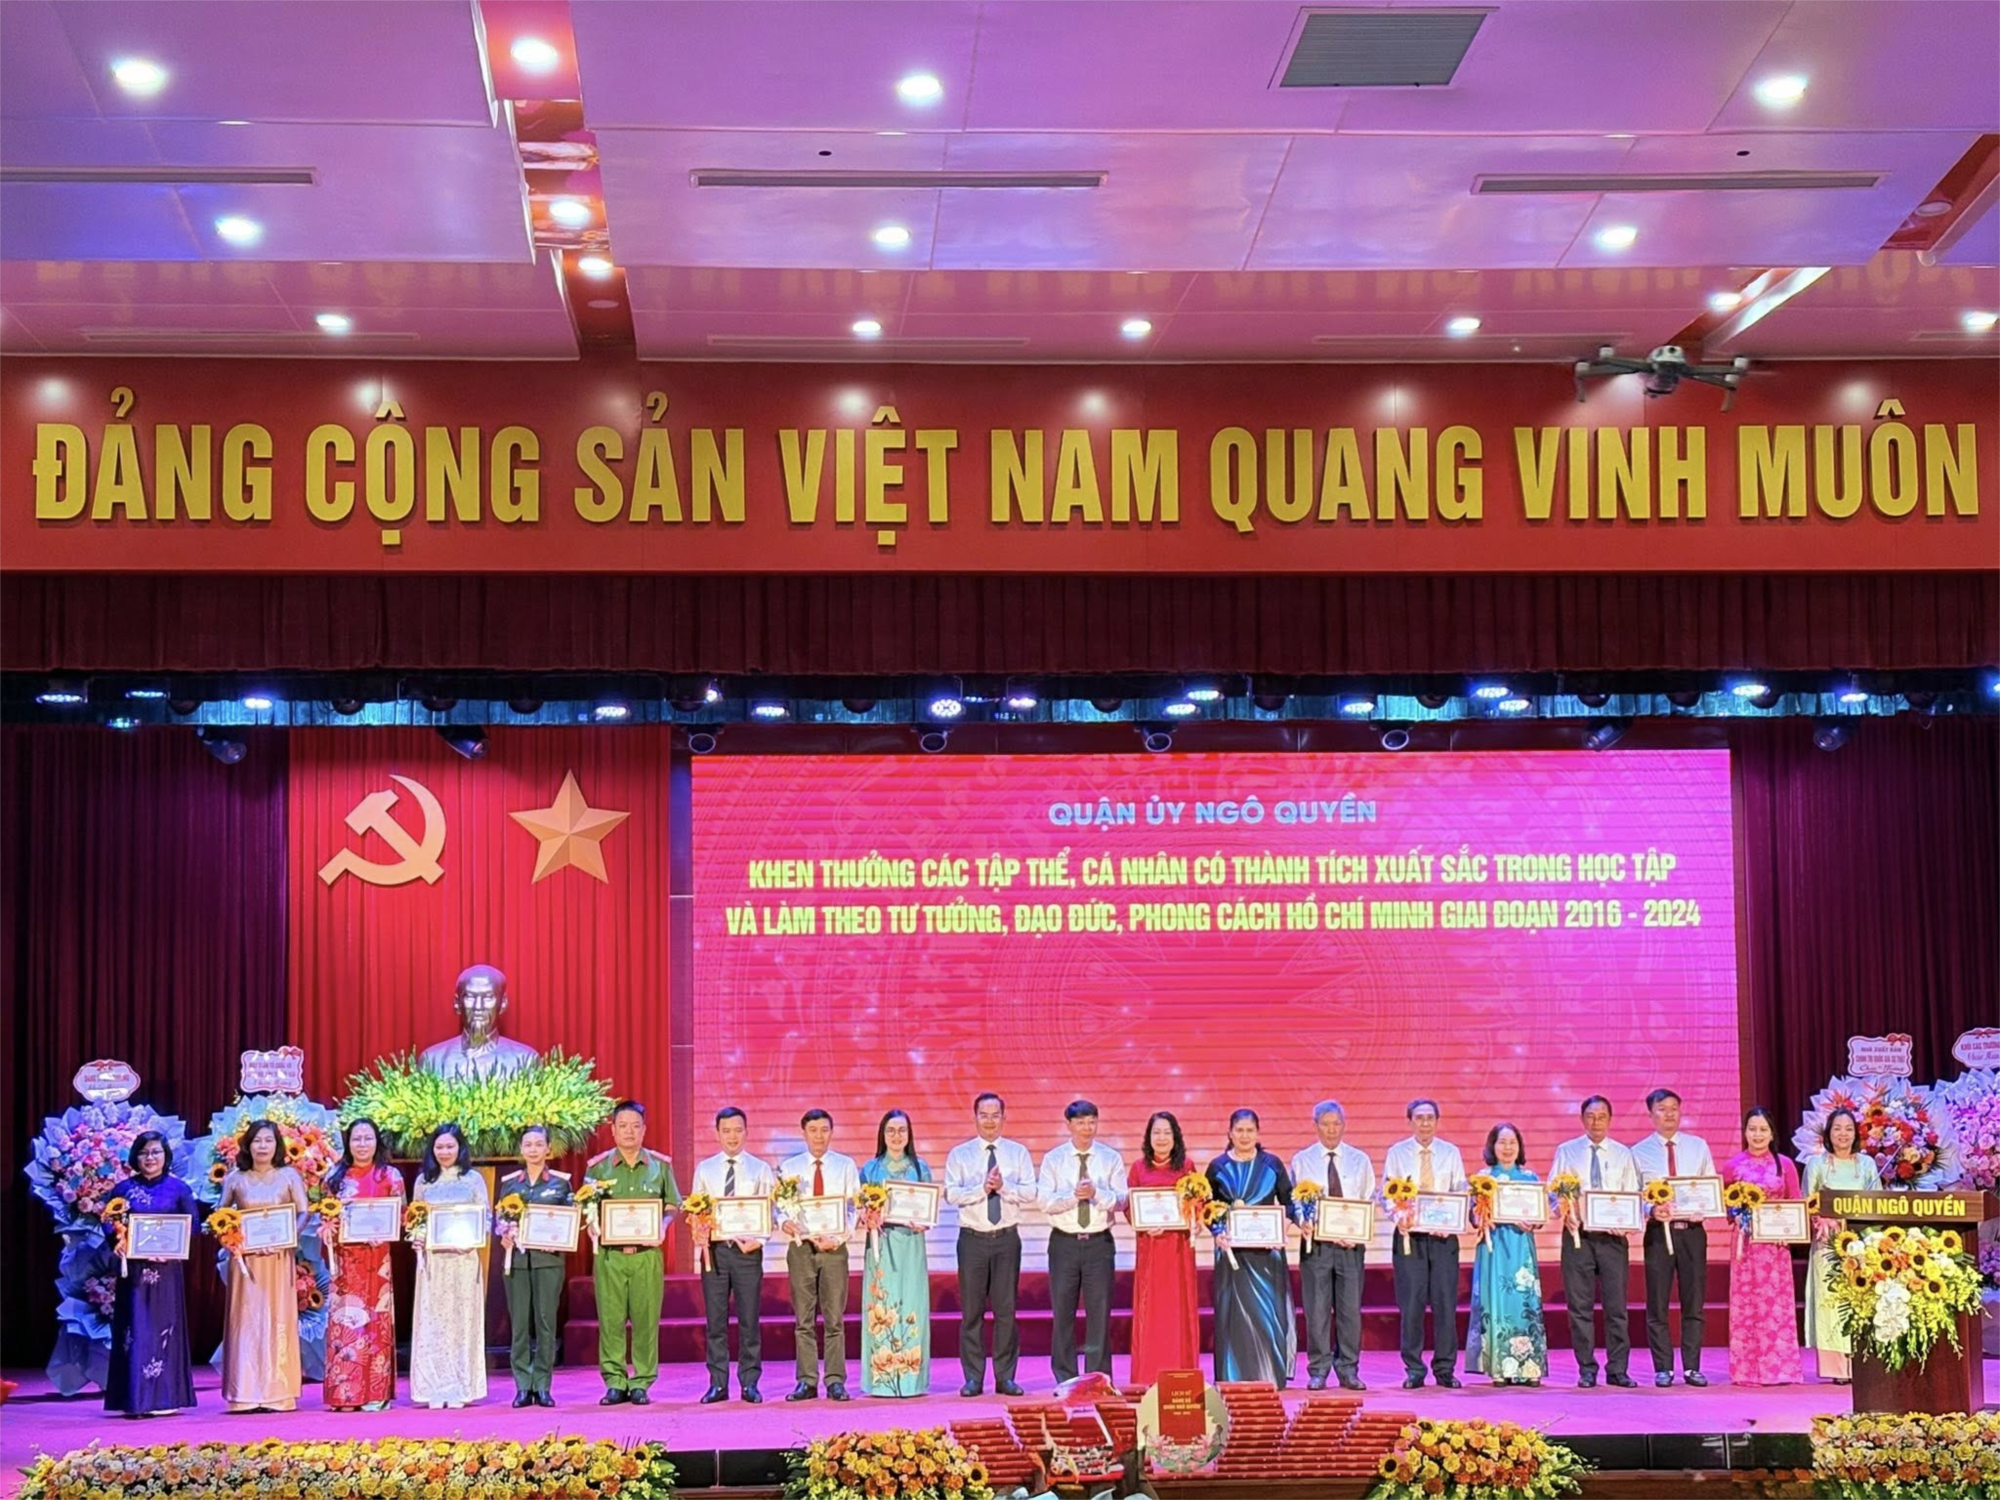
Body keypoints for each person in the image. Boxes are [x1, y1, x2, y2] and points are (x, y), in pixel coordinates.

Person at [585, 1099, 682, 1405]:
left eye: (635, 1126)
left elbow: (672, 1205)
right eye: (623, 1126)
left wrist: (663, 1225)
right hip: (610, 1256)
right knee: (610, 1320)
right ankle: (615, 1381)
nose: (629, 1132)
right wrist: (592, 1224)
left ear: (644, 1129)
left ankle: (641, 1381)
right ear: (613, 1130)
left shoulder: (660, 1166)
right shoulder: (598, 1167)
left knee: (646, 1320)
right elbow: (587, 1205)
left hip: (646, 1255)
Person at [943, 1092, 1035, 1397]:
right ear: (975, 1117)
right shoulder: (960, 1154)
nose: (990, 1121)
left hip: (1006, 1239)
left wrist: (1003, 1187)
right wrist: (981, 1189)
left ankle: (1005, 1377)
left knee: (1006, 1311)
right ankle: (973, 1377)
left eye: (995, 1115)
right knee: (971, 1312)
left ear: (1004, 1118)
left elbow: (1030, 1192)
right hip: (972, 1239)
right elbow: (951, 1194)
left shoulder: (1018, 1152)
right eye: (984, 1115)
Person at [104, 1130, 197, 1417]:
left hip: (166, 1270)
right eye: (144, 1152)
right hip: (133, 1273)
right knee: (135, 1330)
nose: (150, 1158)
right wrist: (118, 1241)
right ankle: (134, 1398)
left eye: (156, 1151)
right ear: (136, 1156)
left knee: (164, 1328)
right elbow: (109, 1222)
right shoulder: (123, 1189)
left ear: (165, 1155)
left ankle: (165, 1398)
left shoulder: (179, 1189)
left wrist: (171, 1249)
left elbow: (193, 1225)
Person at [1550, 1096, 1641, 1389]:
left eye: (1602, 1116)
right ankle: (1586, 1369)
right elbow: (1554, 1193)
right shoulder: (1567, 1151)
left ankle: (1618, 1369)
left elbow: (1633, 1194)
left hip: (1613, 1239)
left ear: (1610, 1119)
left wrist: (1627, 1222)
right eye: (1590, 1116)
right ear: (1582, 1119)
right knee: (1580, 1307)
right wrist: (1564, 1212)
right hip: (1578, 1237)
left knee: (1616, 1307)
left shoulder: (1623, 1154)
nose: (1596, 1121)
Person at [219, 1119, 308, 1413]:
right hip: (246, 1262)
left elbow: (304, 1211)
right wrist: (231, 1238)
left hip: (279, 1258)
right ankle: (243, 1392)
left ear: (277, 1144)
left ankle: (278, 1393)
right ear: (248, 1144)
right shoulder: (235, 1178)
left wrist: (288, 1237)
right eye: (257, 1140)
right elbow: (221, 1216)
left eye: (268, 1140)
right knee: (245, 1319)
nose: (262, 1146)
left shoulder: (289, 1176)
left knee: (278, 1317)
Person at [1631, 1088, 1717, 1388]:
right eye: (1662, 1109)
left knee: (1694, 1301)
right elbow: (1634, 1195)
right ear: (1650, 1114)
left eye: (1673, 1108)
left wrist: (1704, 1209)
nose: (1668, 1114)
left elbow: (1709, 1187)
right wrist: (1650, 1210)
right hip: (1659, 1234)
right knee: (1657, 1302)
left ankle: (1692, 1367)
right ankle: (1663, 1368)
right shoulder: (1638, 1152)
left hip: (1692, 1233)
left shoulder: (1698, 1146)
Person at [1038, 1100, 1128, 1383]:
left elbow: (1122, 1200)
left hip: (1099, 1243)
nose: (1087, 1128)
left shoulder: (1110, 1158)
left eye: (1091, 1122)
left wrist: (1096, 1193)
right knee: (1063, 1312)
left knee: (1099, 1313)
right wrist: (1073, 1197)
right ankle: (1065, 1377)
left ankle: (1098, 1377)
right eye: (1080, 1122)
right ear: (1069, 1124)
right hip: (1063, 1243)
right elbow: (1045, 1202)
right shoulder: (1054, 1159)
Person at [690, 1104, 774, 1403]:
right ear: (717, 1133)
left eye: (738, 1130)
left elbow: (770, 1210)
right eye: (726, 1131)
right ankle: (718, 1383)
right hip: (714, 1252)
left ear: (747, 1132)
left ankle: (750, 1382)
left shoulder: (760, 1169)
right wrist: (698, 1229)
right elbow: (696, 1209)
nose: (732, 1136)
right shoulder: (705, 1169)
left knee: (749, 1320)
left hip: (747, 1253)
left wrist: (760, 1239)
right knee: (716, 1322)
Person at [1206, 1108, 1296, 1386]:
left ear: (1257, 1133)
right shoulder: (1217, 1166)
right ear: (1230, 1133)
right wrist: (1216, 1232)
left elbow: (1290, 1203)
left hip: (1267, 1255)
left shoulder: (1272, 1164)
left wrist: (1282, 1229)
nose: (1244, 1135)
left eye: (1250, 1130)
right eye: (1239, 1130)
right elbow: (1207, 1208)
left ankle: (1270, 1375)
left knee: (1268, 1314)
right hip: (1231, 1255)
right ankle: (1231, 1376)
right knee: (1232, 1315)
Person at [1383, 1099, 1468, 1389]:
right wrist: (1398, 1216)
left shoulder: (1451, 1152)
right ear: (1410, 1121)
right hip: (1410, 1237)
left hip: (1443, 1238)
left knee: (1445, 1304)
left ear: (1437, 1121)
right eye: (1419, 1118)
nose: (1425, 1123)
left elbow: (1460, 1191)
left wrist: (1453, 1221)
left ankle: (1445, 1369)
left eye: (1430, 1117)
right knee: (1412, 1305)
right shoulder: (1397, 1153)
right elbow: (1387, 1193)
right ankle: (1414, 1369)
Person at [1291, 1099, 1375, 1392]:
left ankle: (1349, 1369)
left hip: (1351, 1246)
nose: (1331, 1129)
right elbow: (1295, 1202)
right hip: (1316, 1246)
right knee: (1316, 1311)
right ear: (1315, 1126)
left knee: (1350, 1311)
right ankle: (1318, 1370)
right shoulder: (1302, 1160)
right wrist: (1303, 1221)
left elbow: (1368, 1200)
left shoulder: (1359, 1159)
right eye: (1325, 1124)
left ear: (1344, 1125)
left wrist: (1357, 1231)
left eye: (1336, 1123)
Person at [777, 1108, 860, 1402]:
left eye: (824, 1130)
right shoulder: (789, 1167)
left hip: (835, 1248)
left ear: (831, 1132)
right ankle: (807, 1381)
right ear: (803, 1133)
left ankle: (835, 1380)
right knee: (804, 1319)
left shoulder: (845, 1166)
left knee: (835, 1318)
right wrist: (783, 1222)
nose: (819, 1136)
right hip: (801, 1247)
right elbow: (779, 1207)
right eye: (813, 1130)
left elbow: (854, 1207)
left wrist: (839, 1237)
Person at [322, 1117, 403, 1411]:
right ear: (348, 1142)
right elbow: (326, 1216)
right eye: (356, 1138)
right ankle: (345, 1394)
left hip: (378, 1261)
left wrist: (385, 1231)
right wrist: (329, 1228)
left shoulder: (390, 1176)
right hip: (346, 1264)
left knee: (376, 1323)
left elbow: (401, 1216)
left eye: (368, 1138)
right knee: (346, 1325)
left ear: (377, 1141)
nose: (362, 1144)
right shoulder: (334, 1176)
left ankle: (375, 1394)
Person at [409, 1122, 488, 1409]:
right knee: (433, 1321)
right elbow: (414, 1218)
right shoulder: (424, 1181)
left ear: (460, 1148)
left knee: (461, 1319)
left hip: (464, 1260)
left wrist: (474, 1239)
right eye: (439, 1147)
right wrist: (417, 1237)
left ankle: (460, 1387)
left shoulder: (473, 1180)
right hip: (433, 1263)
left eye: (450, 1146)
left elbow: (486, 1219)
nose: (444, 1152)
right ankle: (433, 1387)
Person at [1724, 1106, 1803, 1387]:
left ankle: (1780, 1370)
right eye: (1752, 1129)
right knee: (1747, 1305)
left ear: (1771, 1134)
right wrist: (1737, 1212)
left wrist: (1789, 1230)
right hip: (1745, 1246)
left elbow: (1795, 1202)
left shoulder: (1785, 1165)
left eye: (1763, 1130)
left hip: (1775, 1248)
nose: (1757, 1135)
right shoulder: (1733, 1166)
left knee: (1776, 1306)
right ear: (1745, 1132)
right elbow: (1727, 1208)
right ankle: (1747, 1371)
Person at [859, 1109, 934, 1397]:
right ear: (882, 1134)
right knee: (883, 1305)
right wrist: (868, 1217)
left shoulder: (920, 1168)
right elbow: (861, 1209)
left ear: (909, 1134)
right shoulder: (870, 1169)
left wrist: (925, 1222)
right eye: (890, 1130)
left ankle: (911, 1381)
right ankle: (882, 1381)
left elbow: (929, 1210)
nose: (896, 1135)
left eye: (902, 1130)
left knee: (912, 1304)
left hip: (912, 1244)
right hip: (882, 1245)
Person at [1803, 1106, 1880, 1383]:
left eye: (1848, 1128)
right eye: (1837, 1128)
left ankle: (1861, 1364)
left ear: (1856, 1133)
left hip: (1860, 1244)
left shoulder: (1867, 1165)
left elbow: (1878, 1204)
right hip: (1827, 1244)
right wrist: (1822, 1221)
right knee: (1831, 1302)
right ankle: (1836, 1369)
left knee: (1859, 1300)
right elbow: (1807, 1203)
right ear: (1828, 1133)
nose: (1843, 1134)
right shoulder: (1816, 1164)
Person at [1466, 1123, 1546, 1387]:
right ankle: (1499, 1367)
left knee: (1523, 1303)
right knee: (1496, 1302)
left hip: (1521, 1249)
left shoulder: (1530, 1178)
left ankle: (1529, 1367)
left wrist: (1533, 1222)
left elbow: (1539, 1217)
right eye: (1502, 1142)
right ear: (1493, 1145)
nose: (1508, 1147)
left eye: (1513, 1142)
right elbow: (1473, 1217)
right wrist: (1481, 1216)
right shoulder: (1483, 1179)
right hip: (1494, 1249)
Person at [497, 1124, 571, 1408]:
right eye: (528, 1144)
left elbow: (570, 1220)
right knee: (519, 1325)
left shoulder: (561, 1184)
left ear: (548, 1148)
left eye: (539, 1144)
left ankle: (542, 1385)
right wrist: (503, 1234)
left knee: (545, 1323)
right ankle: (522, 1386)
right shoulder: (510, 1184)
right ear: (521, 1149)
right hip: (516, 1262)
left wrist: (559, 1238)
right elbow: (499, 1220)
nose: (533, 1149)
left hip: (548, 1261)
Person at [1128, 1111, 1199, 1387]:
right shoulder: (1138, 1168)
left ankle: (1182, 1373)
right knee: (1151, 1313)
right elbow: (1130, 1208)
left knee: (1178, 1310)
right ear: (1148, 1137)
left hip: (1178, 1250)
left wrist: (1194, 1217)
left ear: (1175, 1136)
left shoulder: (1188, 1167)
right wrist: (1143, 1224)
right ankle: (1148, 1376)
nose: (1161, 1138)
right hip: (1151, 1249)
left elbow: (1199, 1204)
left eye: (1167, 1132)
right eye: (1156, 1132)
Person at [416, 964, 540, 1080]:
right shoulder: (432, 1060)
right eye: (470, 997)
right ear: (457, 1003)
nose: (478, 1006)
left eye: (488, 997)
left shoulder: (526, 1061)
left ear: (503, 1003)